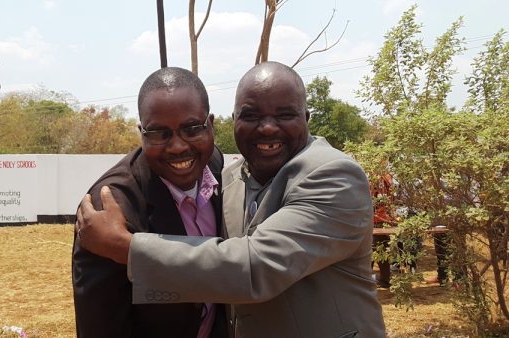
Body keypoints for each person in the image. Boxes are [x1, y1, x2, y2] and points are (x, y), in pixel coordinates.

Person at [77, 61, 386, 338]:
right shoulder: (227, 177)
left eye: (284, 114)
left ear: (306, 118)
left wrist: (127, 248)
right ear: (233, 120)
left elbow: (255, 265)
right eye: (250, 115)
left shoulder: (334, 176)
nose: (266, 127)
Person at [71, 67, 229, 338]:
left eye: (191, 129)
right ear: (141, 132)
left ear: (210, 124)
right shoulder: (109, 212)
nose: (178, 146)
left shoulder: (214, 165)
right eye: (159, 133)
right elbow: (101, 327)